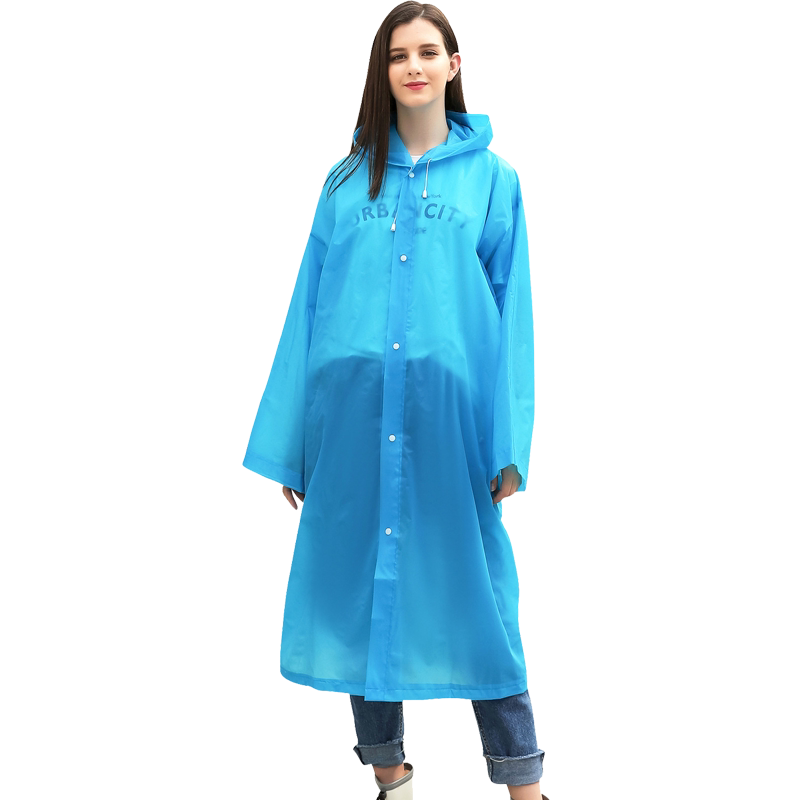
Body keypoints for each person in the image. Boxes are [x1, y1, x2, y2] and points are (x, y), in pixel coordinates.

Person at [242, 2, 542, 798]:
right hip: (350, 421)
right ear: (383, 72)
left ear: (453, 66)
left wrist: (510, 444)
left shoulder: (492, 178)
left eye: (428, 51)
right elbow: (308, 309)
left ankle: (522, 778)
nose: (413, 65)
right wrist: (294, 445)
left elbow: (512, 314)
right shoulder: (346, 181)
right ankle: (387, 768)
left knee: (476, 592)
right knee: (358, 583)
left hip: (449, 425)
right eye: (398, 54)